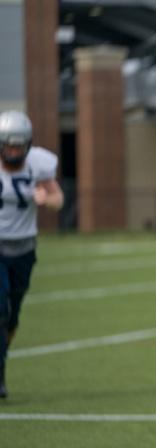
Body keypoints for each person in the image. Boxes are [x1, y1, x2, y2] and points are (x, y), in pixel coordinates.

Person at [0, 110, 64, 399]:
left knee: (12, 316)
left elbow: (58, 199)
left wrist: (45, 198)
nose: (14, 152)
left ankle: (2, 359)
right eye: (9, 146)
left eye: (19, 146)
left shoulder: (38, 162)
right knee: (1, 308)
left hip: (24, 248)